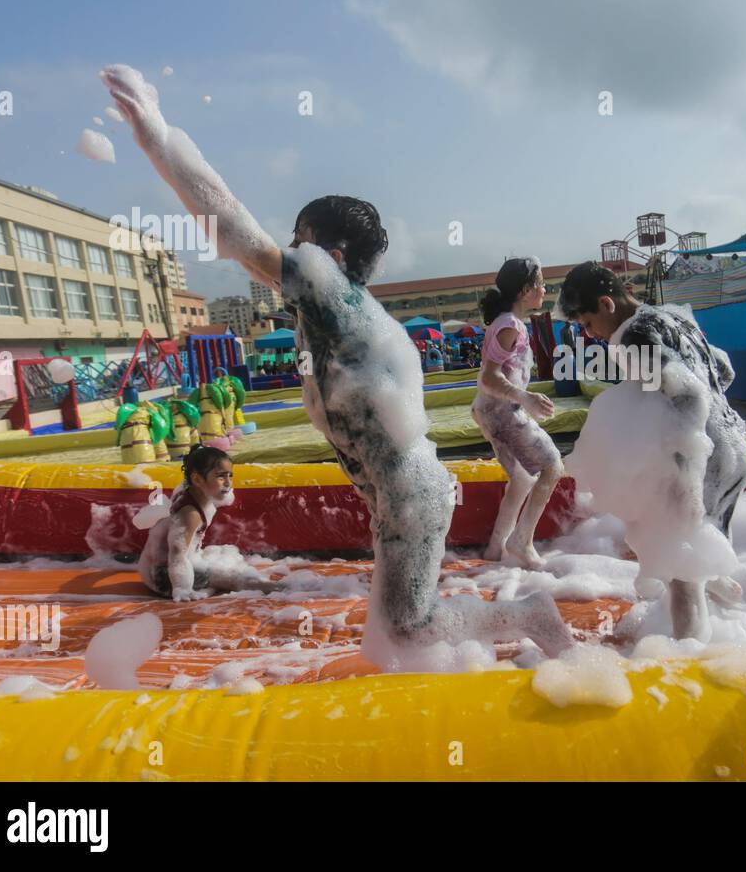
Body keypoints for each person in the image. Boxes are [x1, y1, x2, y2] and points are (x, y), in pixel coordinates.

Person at [102, 64, 571, 664]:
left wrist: (158, 139)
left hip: (410, 491)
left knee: (407, 629)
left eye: (299, 239)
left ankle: (529, 615)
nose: (288, 251)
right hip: (399, 492)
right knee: (394, 633)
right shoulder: (344, 315)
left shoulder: (330, 292)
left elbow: (237, 233)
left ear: (330, 254)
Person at [556, 262, 746, 641]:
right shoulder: (671, 317)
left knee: (684, 579)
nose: (588, 333)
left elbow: (689, 397)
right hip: (736, 447)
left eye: (586, 321)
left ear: (606, 304)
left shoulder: (632, 339)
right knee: (706, 554)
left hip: (704, 458)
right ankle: (736, 625)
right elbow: (722, 369)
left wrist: (687, 482)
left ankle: (689, 668)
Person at [472, 257, 564, 567]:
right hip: (502, 412)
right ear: (525, 290)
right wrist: (524, 397)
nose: (543, 290)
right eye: (540, 284)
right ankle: (521, 541)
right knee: (552, 468)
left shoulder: (507, 323)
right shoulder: (509, 326)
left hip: (491, 411)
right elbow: (488, 377)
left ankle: (496, 549)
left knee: (523, 479)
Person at [137, 446, 277, 600]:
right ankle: (283, 589)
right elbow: (177, 552)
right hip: (165, 579)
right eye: (221, 477)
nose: (228, 483)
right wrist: (182, 589)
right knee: (236, 577)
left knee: (221, 556)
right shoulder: (191, 513)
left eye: (230, 475)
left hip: (155, 570)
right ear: (197, 479)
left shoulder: (189, 489)